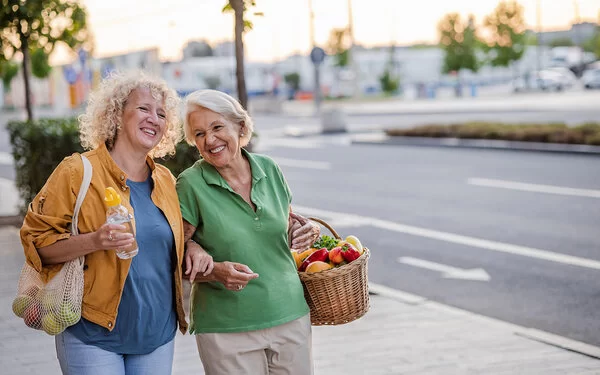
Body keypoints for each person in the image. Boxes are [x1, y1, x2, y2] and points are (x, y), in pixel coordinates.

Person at [19, 71, 188, 375]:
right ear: (117, 114)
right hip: (92, 333)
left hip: (156, 335)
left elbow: (179, 242)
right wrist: (94, 241)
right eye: (144, 109)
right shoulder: (77, 171)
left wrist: (199, 251)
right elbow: (36, 244)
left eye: (162, 114)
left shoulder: (165, 180)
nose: (154, 118)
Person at [176, 89, 320, 375]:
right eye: (200, 133)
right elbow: (174, 256)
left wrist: (307, 229)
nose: (210, 140)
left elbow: (285, 221)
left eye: (217, 127)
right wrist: (213, 268)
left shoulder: (269, 168)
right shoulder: (191, 184)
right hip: (227, 327)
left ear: (240, 126)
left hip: (289, 313)